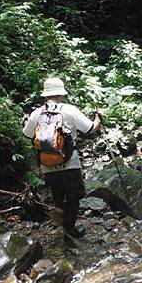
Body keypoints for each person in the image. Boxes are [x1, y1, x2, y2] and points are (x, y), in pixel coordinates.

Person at [23, 77, 101, 240]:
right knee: (74, 196)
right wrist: (97, 120)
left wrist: (26, 121)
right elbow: (89, 130)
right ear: (61, 93)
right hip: (69, 162)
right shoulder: (70, 110)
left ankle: (60, 219)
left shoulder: (37, 113)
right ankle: (69, 228)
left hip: (47, 164)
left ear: (45, 95)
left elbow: (27, 134)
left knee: (58, 195)